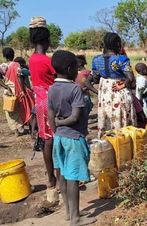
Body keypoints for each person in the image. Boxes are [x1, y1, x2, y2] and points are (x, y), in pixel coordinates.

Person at [48, 50, 96, 226]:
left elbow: (50, 116)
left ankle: (68, 213)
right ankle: (76, 218)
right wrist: (61, 124)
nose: (78, 71)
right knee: (73, 178)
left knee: (62, 175)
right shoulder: (75, 89)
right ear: (69, 69)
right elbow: (75, 117)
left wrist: (56, 129)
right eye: (76, 67)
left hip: (59, 139)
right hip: (74, 138)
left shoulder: (52, 89)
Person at [85, 32, 137, 137]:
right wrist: (123, 85)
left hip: (104, 96)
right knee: (121, 120)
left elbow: (89, 81)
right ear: (117, 44)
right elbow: (130, 78)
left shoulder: (96, 59)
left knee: (107, 120)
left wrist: (98, 92)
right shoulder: (121, 59)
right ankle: (123, 144)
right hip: (119, 94)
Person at [28, 16, 57, 188]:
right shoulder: (48, 61)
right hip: (52, 102)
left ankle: (51, 178)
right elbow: (58, 79)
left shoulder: (32, 59)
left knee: (47, 140)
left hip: (39, 102)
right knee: (58, 139)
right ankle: (62, 178)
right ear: (46, 39)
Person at [0, 47, 35, 135]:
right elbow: (20, 77)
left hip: (8, 91)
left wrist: (6, 87)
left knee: (11, 111)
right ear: (13, 54)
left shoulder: (3, 66)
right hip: (18, 89)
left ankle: (16, 130)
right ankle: (22, 128)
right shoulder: (16, 65)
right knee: (22, 109)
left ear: (4, 56)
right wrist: (23, 90)